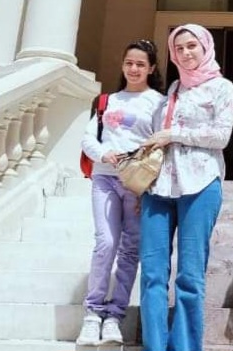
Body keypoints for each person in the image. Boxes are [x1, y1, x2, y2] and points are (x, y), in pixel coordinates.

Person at [139, 24, 233, 351]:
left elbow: (221, 136)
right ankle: (155, 346)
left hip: (200, 183)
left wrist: (174, 135)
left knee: (190, 276)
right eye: (178, 48)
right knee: (152, 274)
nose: (185, 53)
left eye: (191, 45)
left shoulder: (222, 88)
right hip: (158, 186)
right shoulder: (173, 89)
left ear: (205, 47)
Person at [77, 39, 164, 346]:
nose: (134, 69)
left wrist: (147, 184)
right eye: (129, 63)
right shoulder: (108, 100)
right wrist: (103, 154)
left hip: (137, 184)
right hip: (105, 178)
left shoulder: (158, 102)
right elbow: (88, 138)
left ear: (151, 68)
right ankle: (92, 314)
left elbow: (159, 144)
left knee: (129, 250)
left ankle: (115, 316)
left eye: (141, 64)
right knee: (105, 243)